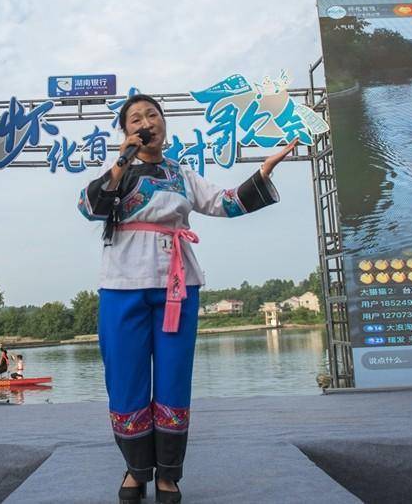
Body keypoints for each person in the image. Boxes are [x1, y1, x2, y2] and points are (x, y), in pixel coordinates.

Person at [78, 93, 298, 503]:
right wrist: (122, 160)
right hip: (122, 286)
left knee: (174, 378)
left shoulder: (182, 174)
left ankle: (168, 473)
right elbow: (90, 207)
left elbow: (225, 203)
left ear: (164, 124)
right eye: (135, 119)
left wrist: (263, 173)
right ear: (125, 132)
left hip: (177, 286)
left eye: (152, 115)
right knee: (124, 379)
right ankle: (136, 470)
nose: (146, 122)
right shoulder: (115, 172)